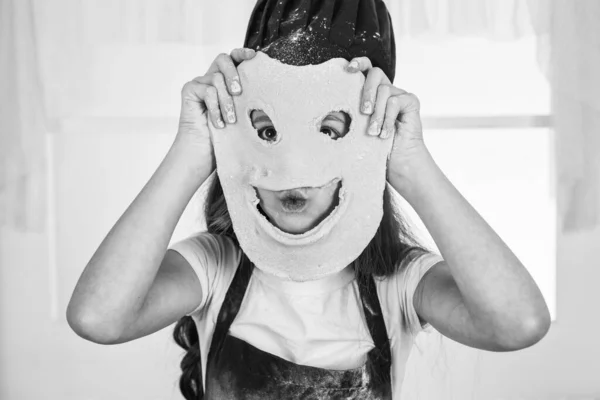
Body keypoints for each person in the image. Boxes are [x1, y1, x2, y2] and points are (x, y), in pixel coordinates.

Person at [66, 1, 551, 399]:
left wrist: (411, 164)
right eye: (268, 130)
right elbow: (98, 318)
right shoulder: (216, 269)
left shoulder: (397, 283)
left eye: (328, 130)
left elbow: (519, 324)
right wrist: (193, 150)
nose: (292, 169)